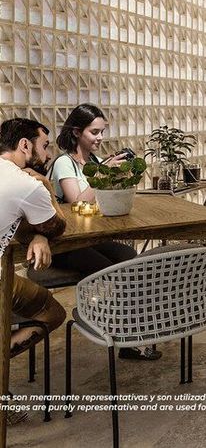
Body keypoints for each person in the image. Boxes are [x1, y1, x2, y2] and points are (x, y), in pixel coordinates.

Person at [48, 104, 158, 361]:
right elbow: (77, 203)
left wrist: (117, 173)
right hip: (65, 243)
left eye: (102, 132)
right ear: (77, 132)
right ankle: (117, 331)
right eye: (94, 132)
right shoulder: (64, 163)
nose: (100, 138)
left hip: (90, 238)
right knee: (116, 272)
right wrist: (103, 170)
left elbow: (104, 197)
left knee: (130, 259)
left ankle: (127, 334)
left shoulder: (93, 162)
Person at [0, 118, 67, 368]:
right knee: (54, 314)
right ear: (25, 145)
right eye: (45, 146)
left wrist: (38, 235)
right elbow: (57, 226)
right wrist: (47, 185)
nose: (48, 155)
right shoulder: (28, 185)